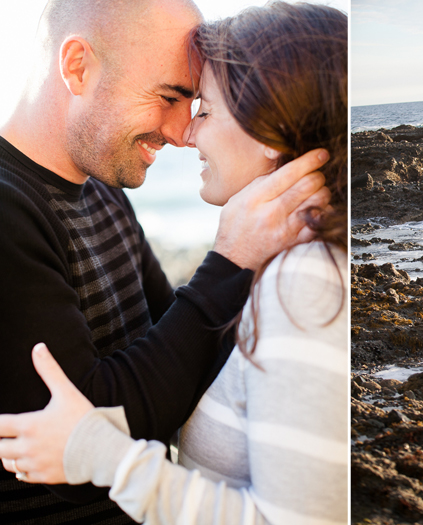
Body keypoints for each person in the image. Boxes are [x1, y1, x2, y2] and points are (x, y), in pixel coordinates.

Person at [0, 1, 348, 524]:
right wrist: (231, 259)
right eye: (169, 96)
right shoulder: (8, 211)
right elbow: (74, 457)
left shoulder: (102, 192)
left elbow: (182, 355)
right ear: (77, 67)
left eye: (198, 105)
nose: (183, 132)